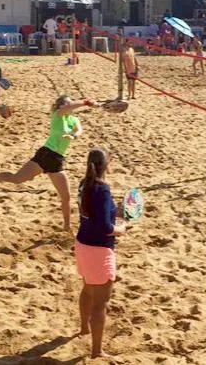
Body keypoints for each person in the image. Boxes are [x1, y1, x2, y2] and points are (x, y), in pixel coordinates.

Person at [0, 96, 95, 230]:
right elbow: (68, 107)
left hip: (58, 160)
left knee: (66, 197)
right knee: (16, 178)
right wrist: (85, 102)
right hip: (46, 154)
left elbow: (79, 130)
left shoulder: (74, 119)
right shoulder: (57, 115)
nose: (70, 105)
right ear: (60, 106)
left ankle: (66, 227)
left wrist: (74, 136)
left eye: (71, 102)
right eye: (67, 103)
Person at [75, 147, 127, 359]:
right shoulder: (102, 189)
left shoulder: (84, 184)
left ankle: (83, 328)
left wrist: (118, 210)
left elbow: (95, 213)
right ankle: (97, 351)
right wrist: (122, 229)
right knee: (100, 303)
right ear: (109, 164)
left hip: (82, 245)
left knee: (87, 289)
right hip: (99, 249)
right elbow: (106, 227)